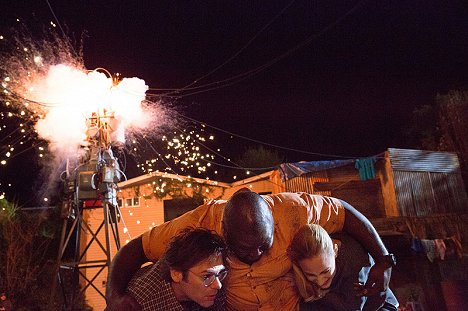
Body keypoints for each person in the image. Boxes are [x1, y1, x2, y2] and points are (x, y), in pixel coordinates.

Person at [106, 189, 395, 311]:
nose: (256, 254)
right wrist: (114, 295)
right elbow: (135, 249)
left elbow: (344, 211)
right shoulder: (199, 224)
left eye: (264, 245)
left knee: (354, 254)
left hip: (298, 305)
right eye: (245, 250)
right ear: (225, 234)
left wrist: (384, 260)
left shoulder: (292, 209)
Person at [288, 224, 399, 311]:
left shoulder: (355, 266)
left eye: (325, 271)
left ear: (335, 250)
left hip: (379, 307)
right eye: (311, 275)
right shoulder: (302, 261)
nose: (321, 282)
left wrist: (320, 297)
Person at [126, 228, 228, 311]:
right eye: (206, 276)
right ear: (176, 274)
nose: (218, 285)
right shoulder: (141, 303)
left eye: (220, 273)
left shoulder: (213, 287)